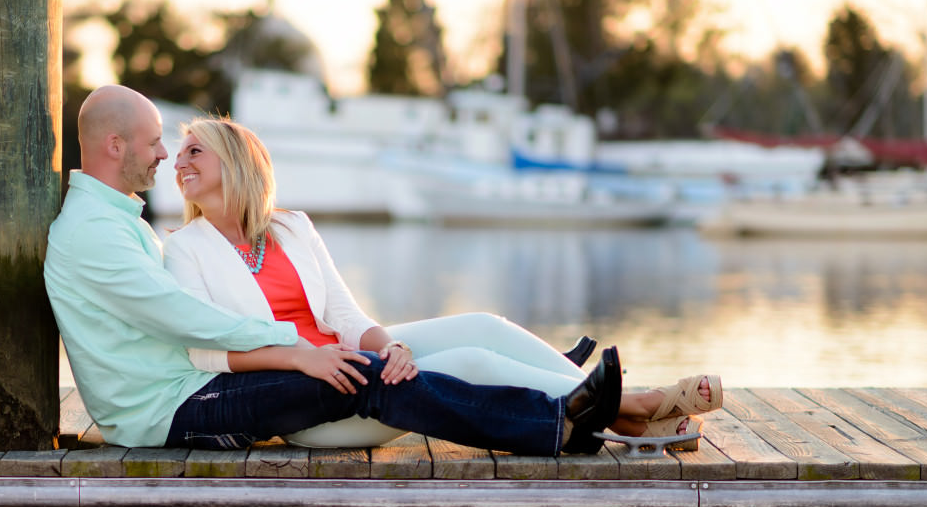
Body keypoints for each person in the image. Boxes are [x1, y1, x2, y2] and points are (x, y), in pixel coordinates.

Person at [44, 84, 641, 457]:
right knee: (368, 376)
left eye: (178, 146)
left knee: (423, 347)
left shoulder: (123, 223)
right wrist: (300, 349)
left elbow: (337, 313)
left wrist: (340, 345)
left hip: (191, 389)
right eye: (154, 143)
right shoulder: (101, 234)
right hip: (171, 407)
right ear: (116, 145)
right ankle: (568, 419)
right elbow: (185, 320)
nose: (166, 156)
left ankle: (579, 403)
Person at [161, 114, 723, 450]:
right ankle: (640, 406)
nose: (178, 161)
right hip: (315, 405)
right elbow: (203, 352)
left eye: (193, 149)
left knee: (480, 326)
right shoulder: (185, 250)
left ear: (235, 161)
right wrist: (305, 358)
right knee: (467, 363)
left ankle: (624, 415)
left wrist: (394, 348)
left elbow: (347, 316)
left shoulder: (291, 227)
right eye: (178, 151)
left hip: (359, 361)